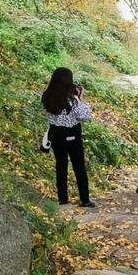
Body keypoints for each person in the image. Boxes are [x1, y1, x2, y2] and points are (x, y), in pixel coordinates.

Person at [42, 67, 95, 207]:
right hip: (72, 134)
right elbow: (85, 116)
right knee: (79, 167)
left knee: (61, 165)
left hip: (55, 135)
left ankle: (63, 198)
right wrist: (81, 98)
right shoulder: (72, 99)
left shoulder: (46, 96)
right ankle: (85, 199)